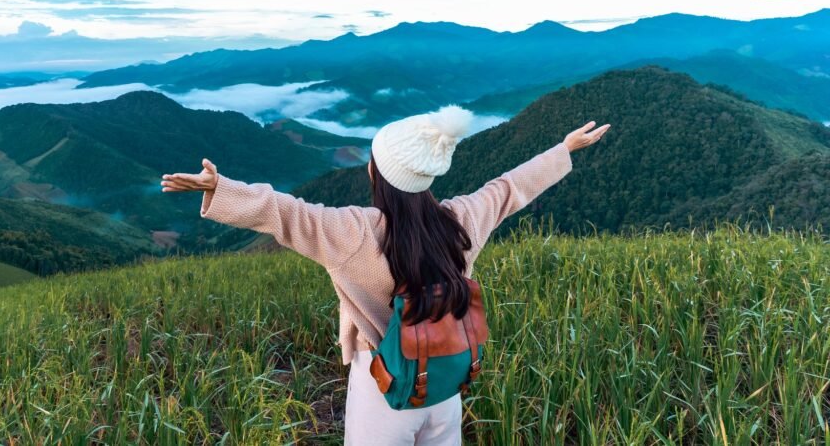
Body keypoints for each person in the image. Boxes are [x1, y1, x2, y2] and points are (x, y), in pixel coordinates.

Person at [161, 105, 610, 444]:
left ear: (376, 171)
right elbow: (508, 189)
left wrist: (220, 189)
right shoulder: (461, 220)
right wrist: (563, 150)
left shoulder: (353, 232)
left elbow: (284, 212)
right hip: (445, 383)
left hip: (384, 385)